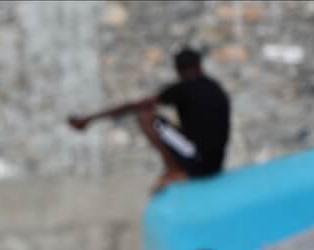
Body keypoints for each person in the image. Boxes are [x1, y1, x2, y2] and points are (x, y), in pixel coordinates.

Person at [69, 47, 231, 191]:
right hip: (215, 164)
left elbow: (136, 106)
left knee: (146, 116)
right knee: (174, 127)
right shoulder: (215, 88)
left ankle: (174, 170)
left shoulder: (183, 88)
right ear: (200, 65)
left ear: (178, 69)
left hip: (198, 161)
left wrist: (90, 119)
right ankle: (180, 168)